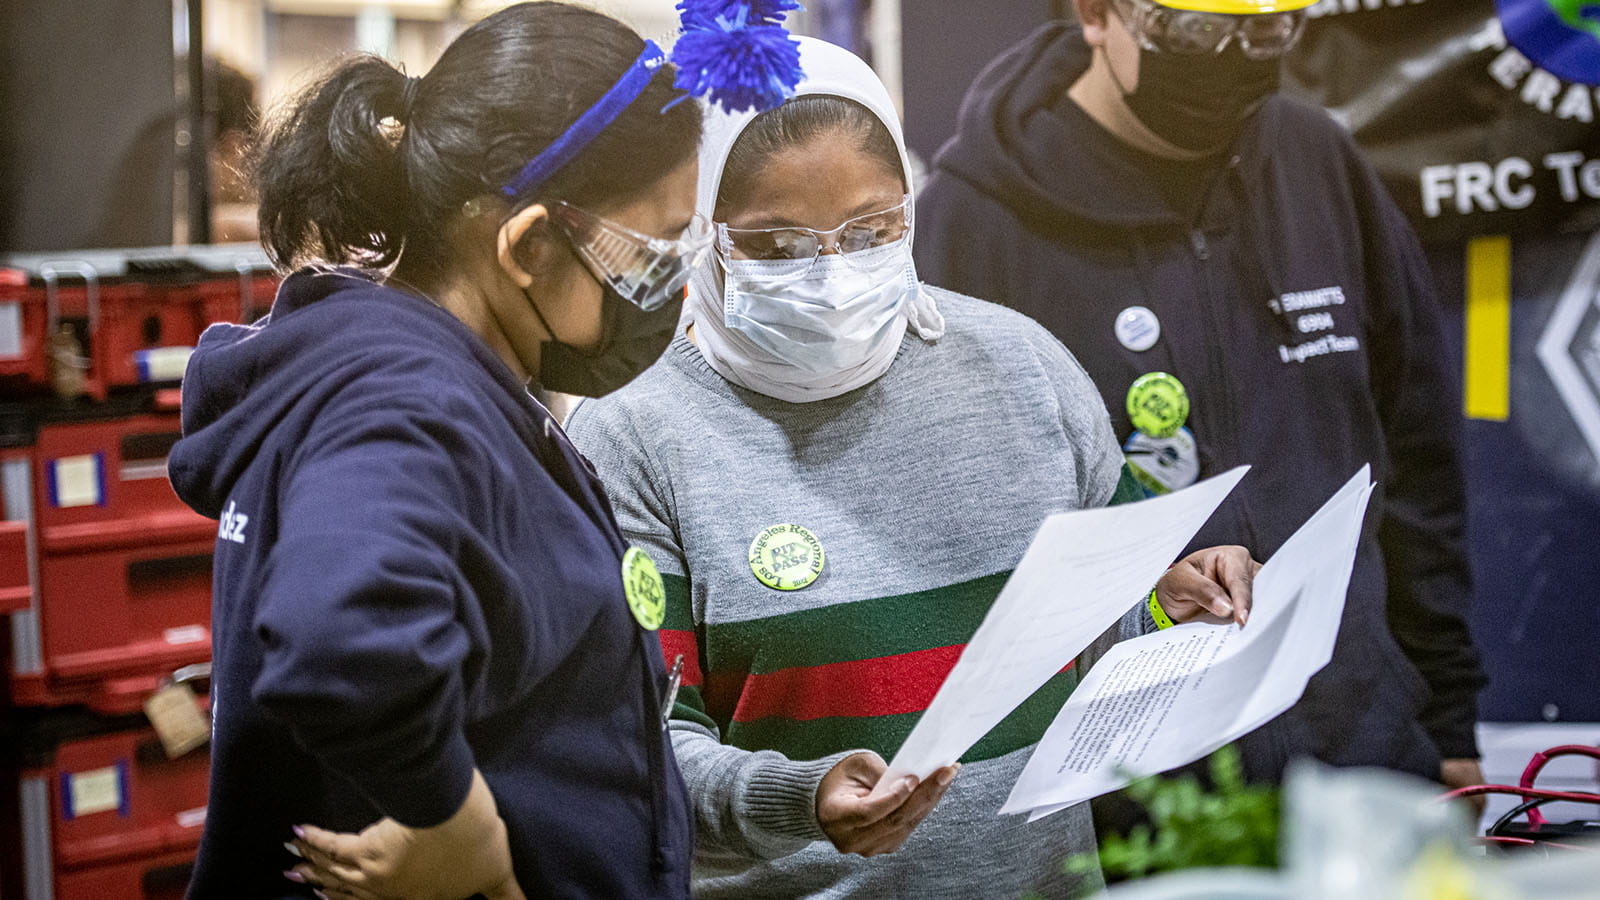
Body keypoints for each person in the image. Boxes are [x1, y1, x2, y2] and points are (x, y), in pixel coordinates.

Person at [563, 37, 1260, 898]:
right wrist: (800, 798)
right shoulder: (634, 434)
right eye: (776, 245)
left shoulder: (1021, 368)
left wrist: (1168, 604)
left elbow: (1087, 636)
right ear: (704, 233)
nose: (829, 275)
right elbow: (637, 750)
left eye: (869, 230)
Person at [166, 3, 707, 897]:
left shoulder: (432, 375)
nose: (669, 289)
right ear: (530, 244)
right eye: (648, 253)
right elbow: (342, 635)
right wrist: (460, 825)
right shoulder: (408, 402)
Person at [913, 0, 1487, 803]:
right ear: (1095, 15)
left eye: (1267, 30)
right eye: (1195, 30)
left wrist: (1451, 723)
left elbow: (1419, 468)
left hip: (1363, 765)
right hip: (1128, 797)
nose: (1233, 57)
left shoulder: (1318, 162)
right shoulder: (974, 226)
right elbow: (955, 539)